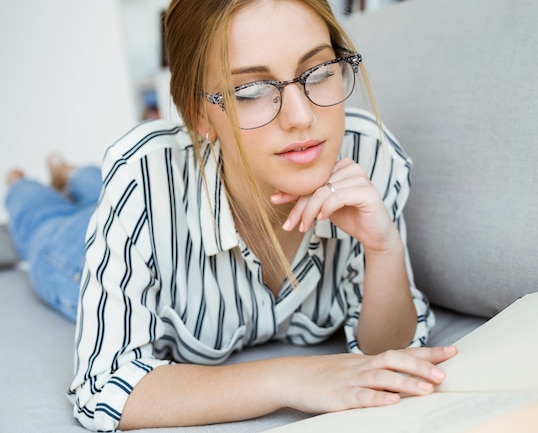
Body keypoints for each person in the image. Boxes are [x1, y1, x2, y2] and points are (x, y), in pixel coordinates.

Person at [64, 0, 457, 430]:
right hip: (84, 247)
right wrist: (293, 377)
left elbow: (393, 349)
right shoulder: (143, 177)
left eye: (321, 73)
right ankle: (34, 184)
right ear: (200, 114)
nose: (302, 117)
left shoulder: (370, 157)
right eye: (250, 91)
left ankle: (73, 178)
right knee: (47, 230)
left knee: (83, 189)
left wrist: (383, 249)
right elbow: (103, 389)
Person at [5, 156, 101, 322]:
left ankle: (21, 181)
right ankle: (63, 171)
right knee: (116, 189)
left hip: (77, 241)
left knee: (41, 217)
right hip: (110, 223)